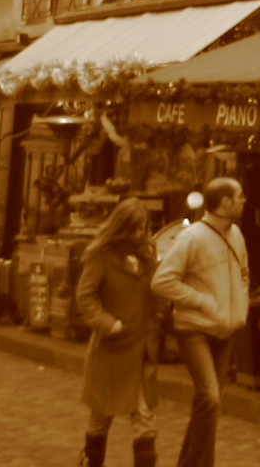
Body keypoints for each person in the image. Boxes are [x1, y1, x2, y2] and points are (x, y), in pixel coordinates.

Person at [151, 178, 249, 467]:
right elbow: (162, 281)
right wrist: (202, 300)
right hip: (194, 329)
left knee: (208, 401)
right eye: (239, 196)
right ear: (225, 202)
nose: (244, 200)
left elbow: (244, 274)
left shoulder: (238, 236)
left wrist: (240, 306)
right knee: (210, 397)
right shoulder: (192, 237)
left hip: (226, 328)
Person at [75, 198, 162, 467]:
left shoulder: (149, 255)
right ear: (121, 227)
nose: (138, 235)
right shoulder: (102, 255)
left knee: (145, 419)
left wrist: (159, 316)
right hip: (111, 351)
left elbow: (156, 291)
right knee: (100, 418)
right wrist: (107, 323)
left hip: (140, 350)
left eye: (143, 228)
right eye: (133, 229)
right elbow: (85, 297)